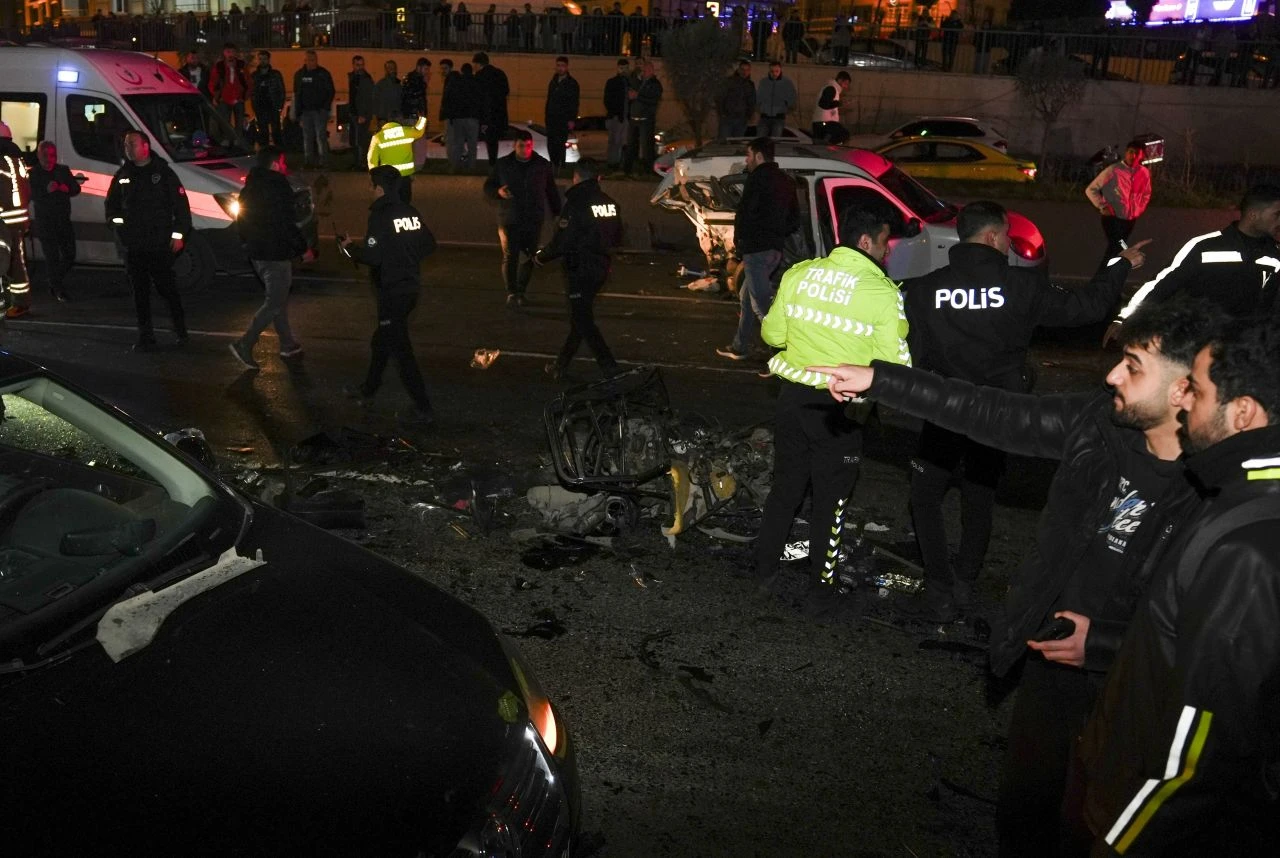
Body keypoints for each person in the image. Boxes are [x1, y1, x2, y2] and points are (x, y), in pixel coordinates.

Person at [809, 298, 1227, 857]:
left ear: (1183, 390)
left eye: (1131, 366)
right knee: (1026, 812)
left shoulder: (1220, 491)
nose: (1110, 376)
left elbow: (1222, 637)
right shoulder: (1099, 424)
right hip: (1050, 661)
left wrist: (1101, 644)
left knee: (1103, 826)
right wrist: (881, 381)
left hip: (1138, 685)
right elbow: (993, 412)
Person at [1081, 316, 1280, 856]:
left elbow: (1199, 754)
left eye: (1199, 389)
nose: (1186, 402)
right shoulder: (1235, 492)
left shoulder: (1247, 543)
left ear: (1242, 412)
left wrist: (1120, 844)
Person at [900, 201, 1152, 621]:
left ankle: (939, 586)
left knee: (924, 495)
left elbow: (917, 355)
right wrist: (1120, 264)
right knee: (979, 497)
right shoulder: (1023, 286)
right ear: (994, 236)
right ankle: (963, 582)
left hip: (943, 408)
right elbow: (1086, 308)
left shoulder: (925, 290)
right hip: (1000, 414)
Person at [752, 202, 912, 614]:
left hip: (792, 400)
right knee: (832, 500)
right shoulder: (881, 293)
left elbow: (772, 334)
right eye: (883, 243)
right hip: (841, 410)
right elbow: (895, 367)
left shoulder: (799, 273)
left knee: (786, 487)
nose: (886, 252)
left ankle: (762, 570)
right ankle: (821, 590)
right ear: (865, 241)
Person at [1105, 184, 1280, 344]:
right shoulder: (1205, 246)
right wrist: (1125, 319)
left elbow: (1270, 304)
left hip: (1243, 344)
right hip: (1197, 341)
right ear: (1253, 215)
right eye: (1276, 215)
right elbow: (1161, 284)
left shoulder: (1274, 254)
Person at [339, 165, 437, 428]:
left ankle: (423, 406)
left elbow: (372, 257)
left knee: (401, 351)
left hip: (392, 292)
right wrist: (405, 257)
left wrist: (350, 250)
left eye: (371, 186)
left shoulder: (380, 216)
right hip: (410, 289)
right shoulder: (409, 212)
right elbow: (429, 244)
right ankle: (368, 389)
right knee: (382, 341)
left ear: (379, 188)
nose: (370, 191)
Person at [535, 159, 622, 381]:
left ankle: (609, 366)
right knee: (580, 318)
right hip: (601, 266)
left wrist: (540, 258)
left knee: (582, 321)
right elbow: (618, 236)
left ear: (576, 177)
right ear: (597, 178)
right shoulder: (609, 203)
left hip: (579, 268)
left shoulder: (575, 203)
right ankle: (560, 365)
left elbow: (563, 241)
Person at [228, 146, 314, 371]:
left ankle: (288, 344)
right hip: (275, 253)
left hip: (257, 253)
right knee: (275, 301)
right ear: (275, 164)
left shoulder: (250, 186)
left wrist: (247, 243)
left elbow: (242, 218)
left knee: (278, 299)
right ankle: (244, 344)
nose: (285, 167)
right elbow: (286, 223)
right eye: (283, 163)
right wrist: (303, 249)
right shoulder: (278, 186)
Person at [105, 130, 191, 352]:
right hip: (134, 246)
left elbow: (181, 207)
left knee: (168, 290)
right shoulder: (123, 175)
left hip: (159, 244)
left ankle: (181, 332)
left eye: (132, 144)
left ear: (146, 146)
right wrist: (118, 226)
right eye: (126, 145)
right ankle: (146, 336)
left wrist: (178, 235)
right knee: (140, 294)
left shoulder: (162, 173)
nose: (128, 149)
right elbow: (111, 205)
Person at [715, 137, 799, 363]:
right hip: (774, 250)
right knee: (746, 298)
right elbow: (794, 220)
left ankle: (783, 356)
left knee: (760, 305)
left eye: (749, 155)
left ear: (759, 156)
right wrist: (777, 232)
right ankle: (739, 346)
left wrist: (740, 242)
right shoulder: (785, 181)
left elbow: (745, 214)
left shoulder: (757, 180)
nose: (747, 160)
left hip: (756, 251)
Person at [483, 129, 561, 307]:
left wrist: (557, 213)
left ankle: (521, 290)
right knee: (510, 255)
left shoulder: (541, 165)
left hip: (533, 217)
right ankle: (511, 292)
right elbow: (488, 186)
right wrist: (498, 192)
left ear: (532, 146)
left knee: (529, 256)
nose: (524, 149)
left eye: (528, 146)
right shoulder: (503, 164)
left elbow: (551, 191)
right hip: (510, 216)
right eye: (521, 146)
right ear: (514, 145)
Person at [1085, 141, 1152, 268]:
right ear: (1126, 153)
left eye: (1137, 153)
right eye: (1131, 152)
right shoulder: (1114, 170)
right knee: (1119, 245)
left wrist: (1138, 209)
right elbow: (1091, 189)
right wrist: (1102, 206)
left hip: (1130, 219)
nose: (1133, 156)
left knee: (1116, 248)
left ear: (1142, 156)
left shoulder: (1144, 173)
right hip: (1112, 217)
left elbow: (1146, 194)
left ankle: (1108, 274)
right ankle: (1108, 271)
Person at [29, 141, 79, 305]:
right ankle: (57, 288)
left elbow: (76, 189)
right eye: (45, 155)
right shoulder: (34, 174)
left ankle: (53, 280)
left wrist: (67, 189)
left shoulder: (62, 171)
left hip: (63, 220)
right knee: (52, 257)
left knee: (70, 254)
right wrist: (45, 190)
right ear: (39, 155)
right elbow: (30, 195)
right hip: (46, 222)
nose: (49, 159)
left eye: (52, 155)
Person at [0, 123, 32, 319]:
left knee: (5, 262)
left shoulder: (1, 161)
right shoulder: (17, 160)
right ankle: (21, 302)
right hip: (18, 220)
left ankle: (16, 303)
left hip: (4, 221)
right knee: (17, 263)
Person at [368, 115, 428, 202]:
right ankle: (404, 213)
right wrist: (422, 118)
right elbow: (419, 131)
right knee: (405, 199)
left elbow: (372, 159)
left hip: (388, 175)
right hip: (405, 175)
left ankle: (392, 213)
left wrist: (374, 177)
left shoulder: (377, 137)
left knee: (390, 199)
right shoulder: (406, 131)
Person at [292, 50, 335, 170]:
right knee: (307, 137)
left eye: (313, 60)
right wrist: (298, 113)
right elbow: (297, 94)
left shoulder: (323, 74)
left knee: (320, 137)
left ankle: (323, 162)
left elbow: (330, 91)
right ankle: (308, 162)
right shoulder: (299, 75)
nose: (311, 62)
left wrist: (324, 108)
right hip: (305, 112)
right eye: (309, 60)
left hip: (319, 111)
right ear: (305, 61)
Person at [624, 60, 662, 175]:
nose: (643, 72)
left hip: (646, 120)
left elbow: (653, 100)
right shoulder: (640, 82)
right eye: (643, 70)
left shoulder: (655, 84)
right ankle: (629, 169)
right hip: (634, 119)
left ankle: (649, 170)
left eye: (645, 70)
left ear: (651, 70)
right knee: (631, 145)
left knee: (647, 148)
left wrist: (638, 96)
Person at [544, 56, 580, 174]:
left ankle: (560, 166)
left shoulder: (572, 83)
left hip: (563, 119)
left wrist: (571, 119)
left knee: (560, 143)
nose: (560, 68)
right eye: (558, 65)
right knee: (551, 143)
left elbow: (574, 102)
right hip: (551, 118)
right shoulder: (553, 81)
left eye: (562, 66)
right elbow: (549, 100)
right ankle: (554, 165)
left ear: (567, 67)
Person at [472, 52, 509, 164]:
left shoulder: (479, 77)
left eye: (474, 64)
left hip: (486, 115)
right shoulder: (500, 73)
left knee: (488, 141)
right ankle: (493, 163)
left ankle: (491, 164)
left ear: (478, 64)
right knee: (494, 141)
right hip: (499, 114)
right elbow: (506, 91)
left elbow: (478, 97)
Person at [210, 43, 248, 136]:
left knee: (239, 123)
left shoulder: (241, 65)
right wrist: (216, 96)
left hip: (239, 99)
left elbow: (248, 81)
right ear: (224, 53)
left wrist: (244, 96)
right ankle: (228, 140)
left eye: (232, 52)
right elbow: (213, 82)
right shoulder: (219, 66)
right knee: (225, 123)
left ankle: (238, 142)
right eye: (228, 52)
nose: (230, 54)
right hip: (224, 99)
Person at [250, 51, 285, 148]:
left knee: (276, 132)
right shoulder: (254, 76)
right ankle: (264, 153)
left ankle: (279, 152)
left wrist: (280, 106)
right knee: (263, 132)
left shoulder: (276, 75)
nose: (262, 61)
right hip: (260, 107)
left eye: (264, 59)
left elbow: (281, 91)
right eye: (260, 59)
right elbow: (252, 92)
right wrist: (254, 106)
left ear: (268, 60)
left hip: (273, 106)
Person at [347, 56, 376, 170]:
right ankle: (358, 162)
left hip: (361, 115)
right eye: (357, 65)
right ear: (353, 65)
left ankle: (360, 163)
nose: (360, 67)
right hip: (355, 113)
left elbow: (367, 98)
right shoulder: (354, 77)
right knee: (355, 139)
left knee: (360, 139)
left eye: (361, 65)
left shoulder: (365, 79)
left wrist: (363, 114)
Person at [755, 61, 796, 139]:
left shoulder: (787, 83)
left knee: (775, 141)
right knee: (760, 139)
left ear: (780, 70)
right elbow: (758, 97)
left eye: (776, 71)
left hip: (779, 118)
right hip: (764, 116)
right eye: (772, 71)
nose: (774, 74)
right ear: (769, 71)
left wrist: (788, 109)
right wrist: (758, 108)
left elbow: (792, 98)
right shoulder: (763, 82)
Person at [717, 60, 756, 140]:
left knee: (737, 144)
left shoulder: (750, 84)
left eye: (747, 70)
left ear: (750, 71)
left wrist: (749, 115)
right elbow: (720, 98)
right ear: (738, 70)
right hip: (727, 118)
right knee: (723, 143)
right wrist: (722, 113)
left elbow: (751, 101)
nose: (744, 72)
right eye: (742, 69)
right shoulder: (729, 82)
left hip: (741, 120)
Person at [603, 58, 631, 169]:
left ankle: (618, 163)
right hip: (616, 117)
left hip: (624, 117)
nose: (624, 70)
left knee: (622, 142)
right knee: (615, 141)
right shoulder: (613, 82)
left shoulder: (628, 82)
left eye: (626, 68)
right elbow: (608, 100)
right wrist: (615, 113)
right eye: (622, 68)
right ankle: (613, 163)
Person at [811, 71, 850, 144]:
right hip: (824, 123)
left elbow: (827, 104)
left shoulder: (832, 88)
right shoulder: (831, 88)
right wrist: (839, 103)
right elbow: (823, 104)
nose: (846, 87)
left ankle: (828, 145)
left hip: (822, 123)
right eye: (846, 84)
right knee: (844, 134)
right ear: (840, 80)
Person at [373, 59, 403, 128]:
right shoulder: (380, 85)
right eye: (390, 68)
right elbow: (375, 102)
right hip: (384, 119)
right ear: (386, 70)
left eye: (394, 68)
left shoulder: (399, 85)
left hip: (396, 118)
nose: (392, 70)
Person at [401, 57, 431, 123]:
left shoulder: (418, 79)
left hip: (416, 114)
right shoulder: (411, 79)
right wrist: (423, 85)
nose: (427, 72)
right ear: (418, 67)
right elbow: (410, 95)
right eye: (425, 69)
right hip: (412, 115)